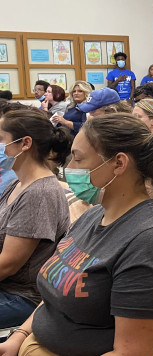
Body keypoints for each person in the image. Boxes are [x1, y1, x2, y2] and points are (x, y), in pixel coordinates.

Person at [0, 114, 153, 355]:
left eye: (78, 159)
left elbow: (133, 352)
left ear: (119, 163)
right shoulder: (94, 216)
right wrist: (19, 336)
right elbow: (56, 293)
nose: (68, 169)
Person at [0, 109, 70, 328]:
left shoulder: (39, 193)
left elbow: (9, 264)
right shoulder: (18, 183)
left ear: (25, 143)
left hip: (21, 297)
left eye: (1, 139)